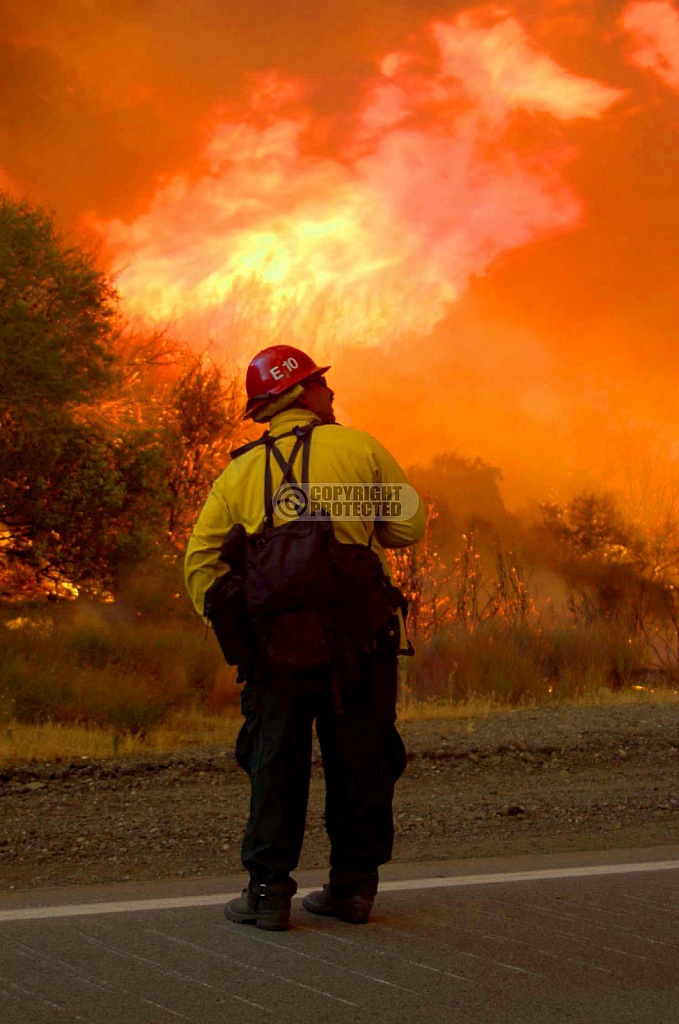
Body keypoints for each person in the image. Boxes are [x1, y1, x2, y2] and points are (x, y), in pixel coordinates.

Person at [184, 344, 425, 930]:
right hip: (360, 644)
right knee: (361, 758)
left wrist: (242, 635)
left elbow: (200, 564)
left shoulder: (238, 473)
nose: (332, 393)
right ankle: (352, 889)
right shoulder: (360, 447)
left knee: (275, 763)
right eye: (322, 383)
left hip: (276, 650)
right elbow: (408, 527)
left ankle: (268, 894)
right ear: (300, 393)